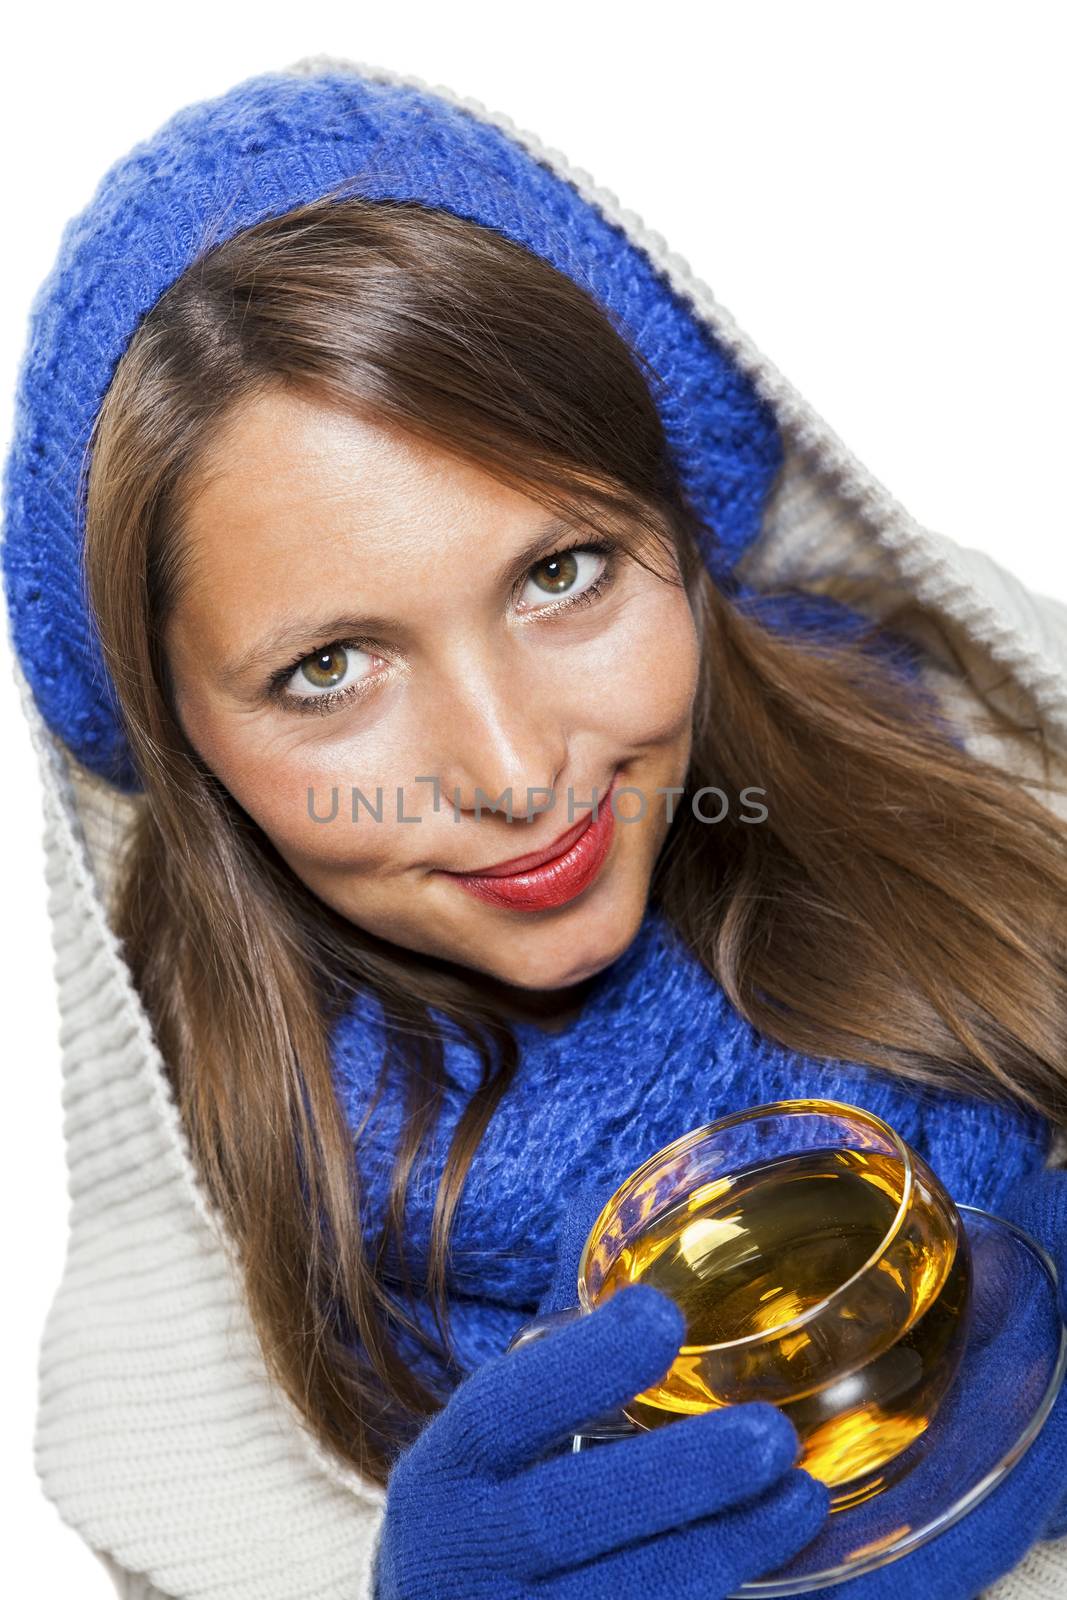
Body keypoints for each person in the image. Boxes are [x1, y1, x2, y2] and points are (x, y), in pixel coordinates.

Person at [3, 57, 1066, 1600]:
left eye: (561, 572)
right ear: (184, 745)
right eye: (327, 670)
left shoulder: (1003, 768)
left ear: (682, 534)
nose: (511, 771)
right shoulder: (197, 1352)